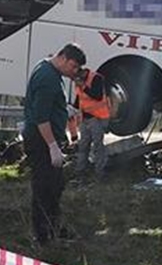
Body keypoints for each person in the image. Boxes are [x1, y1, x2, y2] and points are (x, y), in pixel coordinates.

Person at [23, 45, 83, 245]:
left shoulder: (49, 70)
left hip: (47, 138)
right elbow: (41, 118)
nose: (74, 72)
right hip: (41, 141)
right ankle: (42, 235)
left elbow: (48, 105)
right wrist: (52, 146)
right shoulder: (47, 78)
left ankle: (54, 226)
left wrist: (63, 109)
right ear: (63, 58)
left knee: (55, 185)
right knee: (44, 187)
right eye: (73, 66)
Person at [69, 46, 111, 184]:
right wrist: (72, 108)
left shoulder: (96, 78)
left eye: (76, 79)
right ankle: (80, 172)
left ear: (81, 73)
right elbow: (80, 98)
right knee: (83, 146)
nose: (75, 82)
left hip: (97, 118)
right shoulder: (78, 82)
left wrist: (83, 86)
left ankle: (100, 173)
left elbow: (97, 96)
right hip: (84, 118)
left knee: (98, 146)